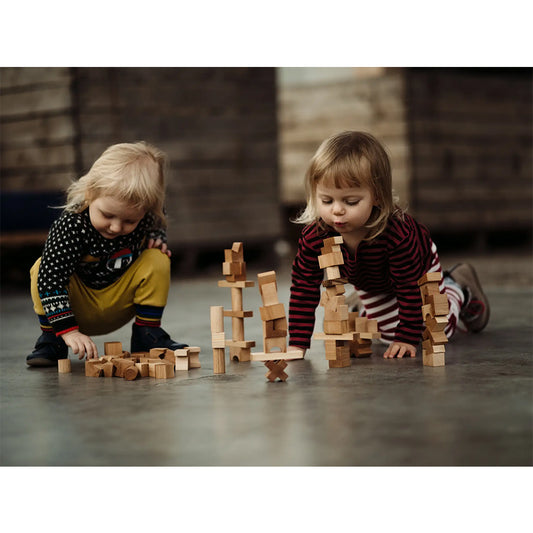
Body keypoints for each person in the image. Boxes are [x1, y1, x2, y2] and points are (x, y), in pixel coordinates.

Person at [288, 131, 490, 359]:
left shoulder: (397, 234)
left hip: (418, 272)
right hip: (370, 280)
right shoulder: (315, 236)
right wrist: (297, 342)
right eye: (326, 200)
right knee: (383, 336)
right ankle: (362, 308)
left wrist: (406, 336)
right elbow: (304, 287)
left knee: (432, 331)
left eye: (351, 201)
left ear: (377, 197)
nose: (336, 210)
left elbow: (408, 286)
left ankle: (457, 288)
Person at [26, 141, 188, 367]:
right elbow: (51, 280)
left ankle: (147, 333)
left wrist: (158, 238)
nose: (116, 227)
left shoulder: (147, 216)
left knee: (157, 258)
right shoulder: (72, 226)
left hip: (117, 304)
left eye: (129, 220)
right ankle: (53, 340)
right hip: (72, 309)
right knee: (42, 268)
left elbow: (160, 217)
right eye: (107, 215)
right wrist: (69, 331)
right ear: (90, 193)